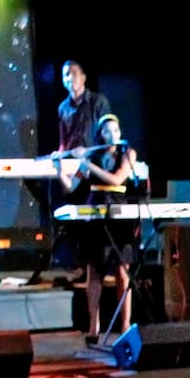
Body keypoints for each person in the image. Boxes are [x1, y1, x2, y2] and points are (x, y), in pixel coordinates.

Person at [56, 113, 135, 343]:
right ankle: (94, 326)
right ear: (100, 134)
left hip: (119, 214)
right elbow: (70, 186)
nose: (113, 135)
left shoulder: (127, 153)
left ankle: (126, 324)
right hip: (95, 213)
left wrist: (87, 162)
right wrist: (59, 167)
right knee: (94, 273)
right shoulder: (92, 156)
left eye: (116, 131)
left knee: (122, 272)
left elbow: (117, 180)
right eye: (108, 132)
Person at [55, 60, 112, 157]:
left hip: (94, 158)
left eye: (74, 74)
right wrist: (59, 153)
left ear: (83, 78)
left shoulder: (98, 101)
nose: (70, 78)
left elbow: (109, 133)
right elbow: (63, 142)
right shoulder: (63, 107)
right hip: (71, 160)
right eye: (66, 75)